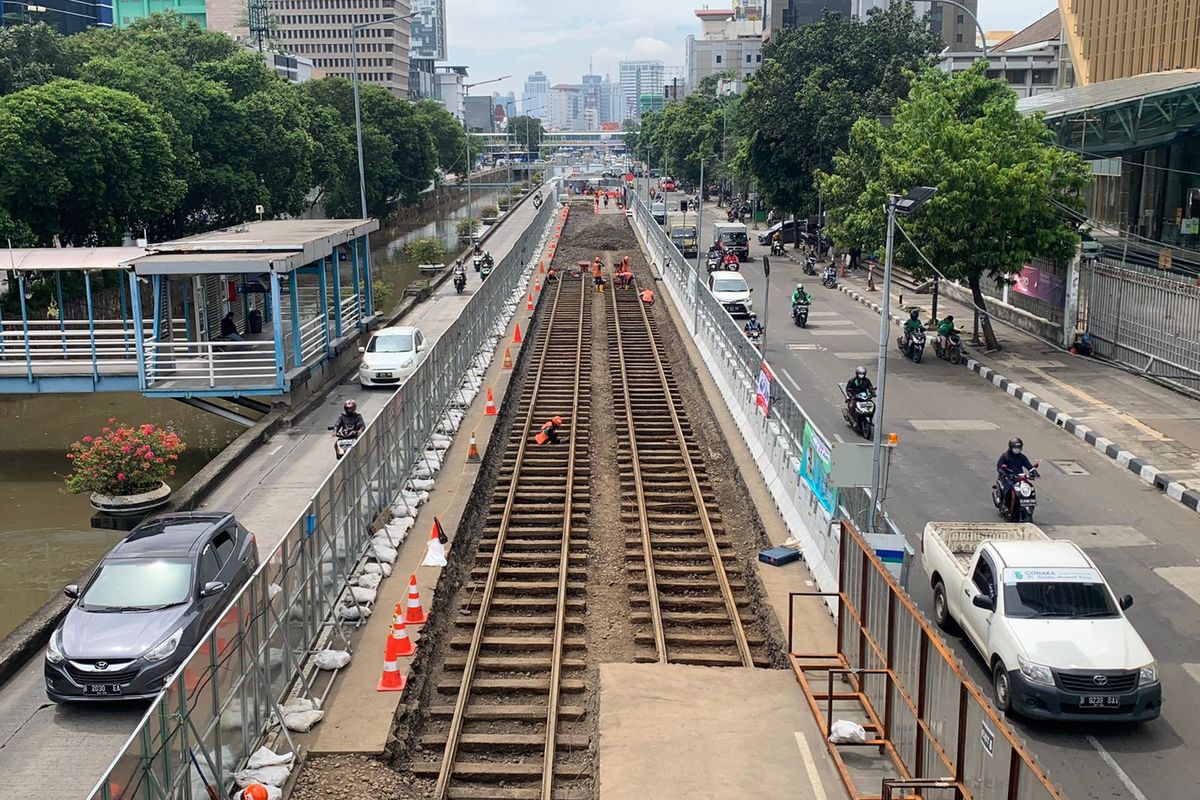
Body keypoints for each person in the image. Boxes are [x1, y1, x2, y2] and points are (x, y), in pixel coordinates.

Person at [996, 437, 1037, 509]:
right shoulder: (1005, 456)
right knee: (1009, 488)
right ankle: (1005, 505)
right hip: (1008, 477)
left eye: (1019, 447)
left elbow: (1029, 466)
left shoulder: (1022, 457)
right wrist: (1003, 473)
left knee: (1030, 488)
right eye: (1015, 447)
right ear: (1011, 447)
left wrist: (1034, 472)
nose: (1017, 449)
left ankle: (1030, 505)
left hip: (1020, 478)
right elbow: (999, 467)